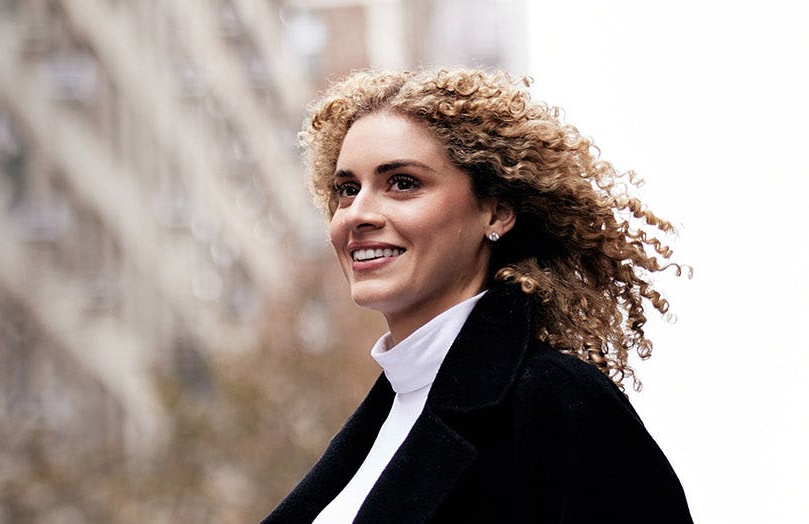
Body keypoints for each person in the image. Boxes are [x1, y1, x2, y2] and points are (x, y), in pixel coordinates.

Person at [263, 67, 693, 523]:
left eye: (403, 183)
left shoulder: (559, 402)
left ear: (498, 210)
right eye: (347, 190)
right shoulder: (384, 419)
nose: (358, 214)